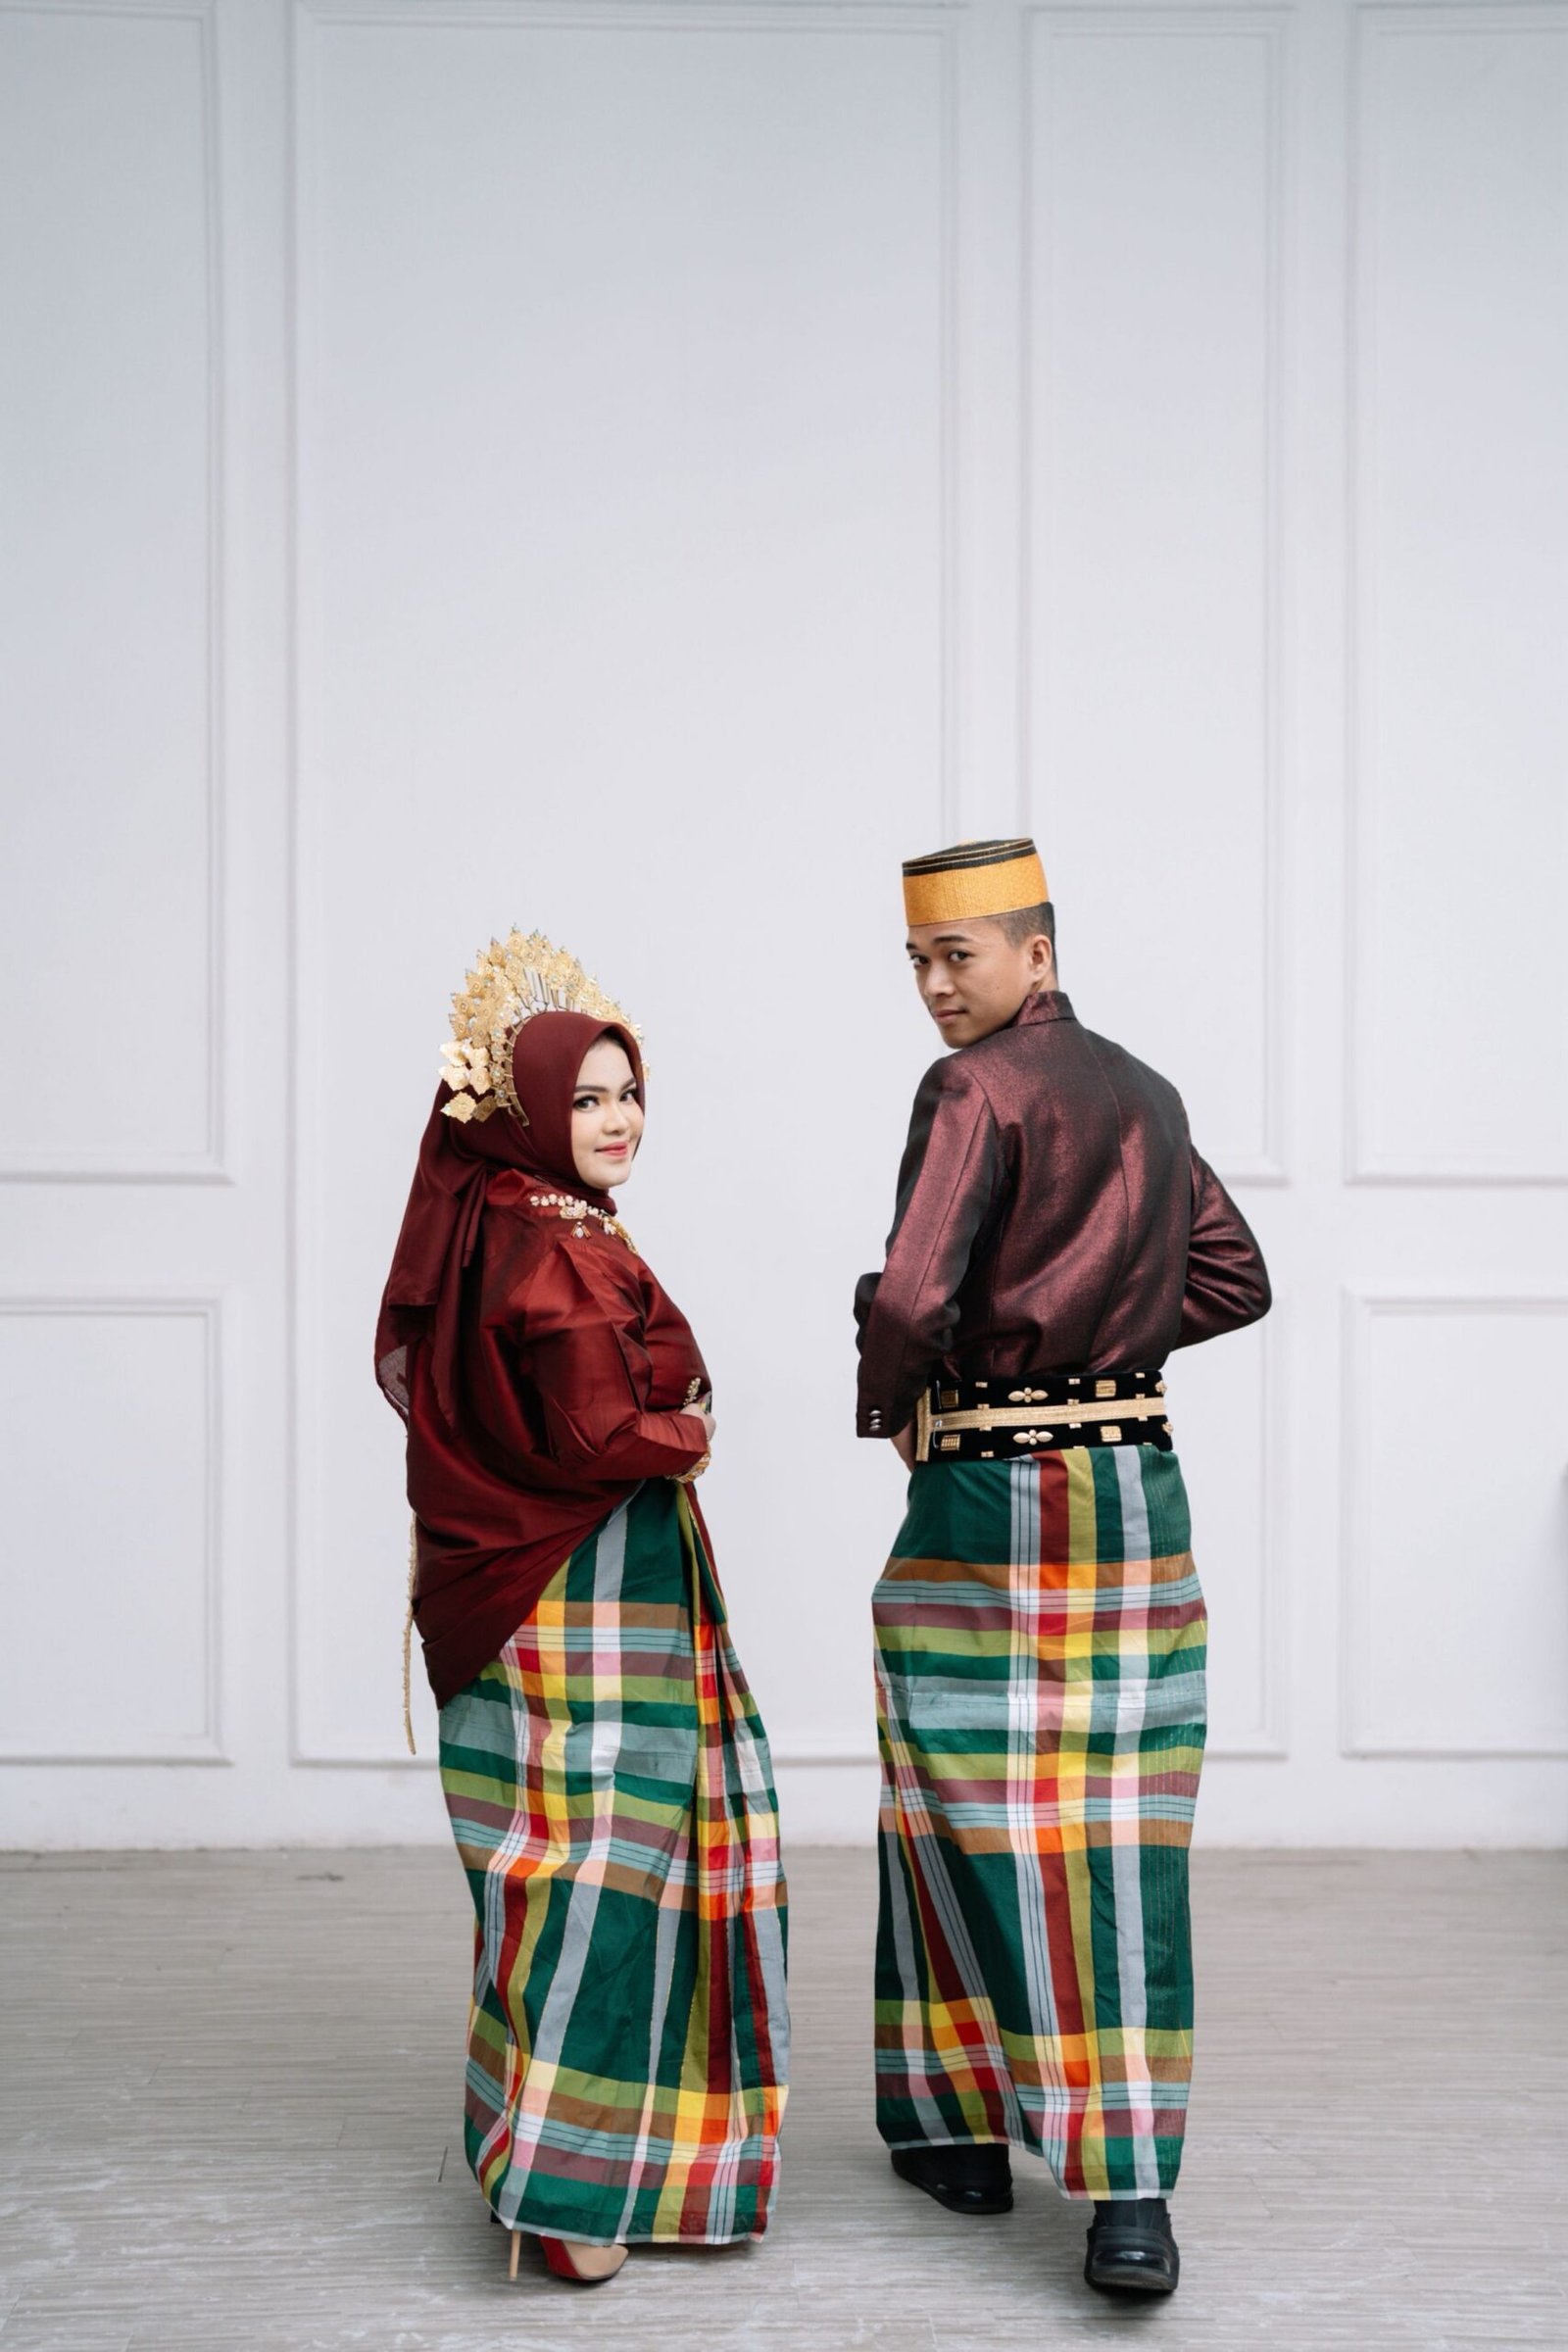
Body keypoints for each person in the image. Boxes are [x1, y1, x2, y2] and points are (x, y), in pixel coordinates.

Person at [856, 840, 1269, 2296]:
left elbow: (912, 1298)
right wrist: (1111, 1333)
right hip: (1138, 1498)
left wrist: (902, 1398)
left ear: (1037, 951)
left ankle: (957, 2132)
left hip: (990, 1499)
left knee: (954, 1792)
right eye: (917, 960)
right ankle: (1130, 2197)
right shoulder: (1146, 1092)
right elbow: (1236, 1277)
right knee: (1119, 1830)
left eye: (956, 954)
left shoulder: (970, 1090)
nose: (932, 984)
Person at [376, 930, 788, 2287]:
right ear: (529, 1109)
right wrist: (691, 1432)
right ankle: (565, 2195)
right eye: (589, 1098)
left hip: (550, 1584)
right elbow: (599, 1431)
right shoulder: (545, 1235)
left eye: (630, 1094)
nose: (619, 1120)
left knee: (560, 1864)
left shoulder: (519, 1215)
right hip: (580, 1587)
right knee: (604, 1870)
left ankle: (576, 2167)